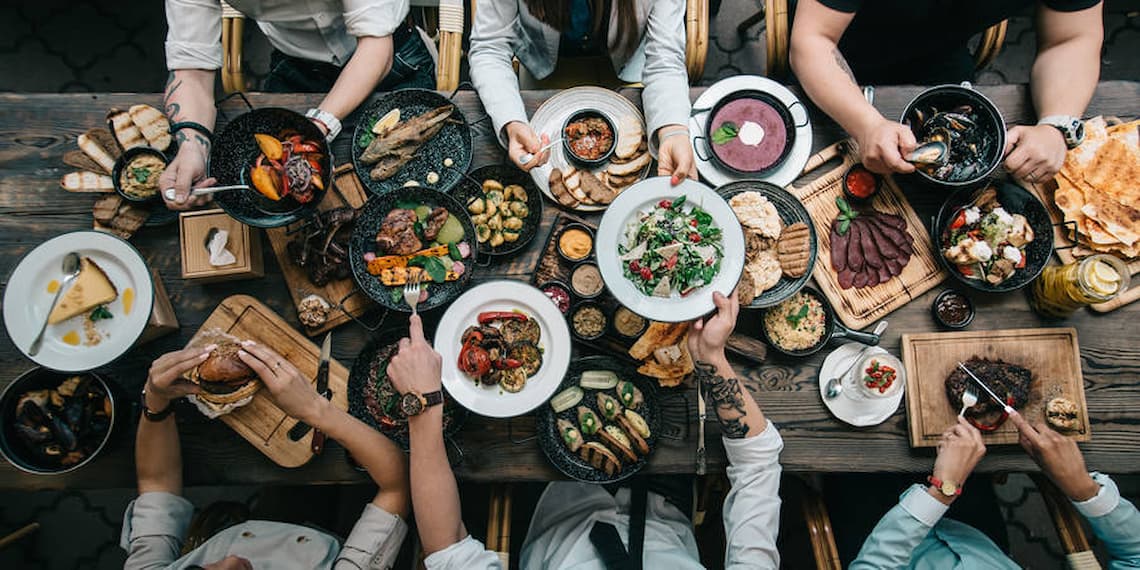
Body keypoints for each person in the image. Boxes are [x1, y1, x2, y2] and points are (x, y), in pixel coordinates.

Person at [385, 292, 783, 569]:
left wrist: (422, 405)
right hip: (667, 506)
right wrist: (712, 358)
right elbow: (758, 467)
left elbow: (446, 549)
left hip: (555, 504)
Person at [121, 342, 410, 569]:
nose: (232, 560)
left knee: (289, 496)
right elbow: (395, 485)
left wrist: (155, 399)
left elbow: (156, 481)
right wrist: (314, 409)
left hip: (262, 521)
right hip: (341, 544)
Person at [160, 0, 436, 209]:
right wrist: (191, 146)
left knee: (414, 186)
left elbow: (376, 48)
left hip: (392, 59)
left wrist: (316, 128)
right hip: (296, 66)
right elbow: (191, 68)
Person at [789, 0, 1103, 182]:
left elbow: (1072, 38)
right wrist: (866, 124)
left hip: (938, 54)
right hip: (838, 51)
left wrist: (1057, 124)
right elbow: (813, 41)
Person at [850, 411, 1140, 568]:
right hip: (973, 537)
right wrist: (1082, 488)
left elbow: (875, 564)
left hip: (874, 536)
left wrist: (943, 491)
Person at [468, 0, 697, 185]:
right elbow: (490, 49)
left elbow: (664, 61)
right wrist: (511, 120)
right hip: (545, 70)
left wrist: (672, 130)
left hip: (626, 69)